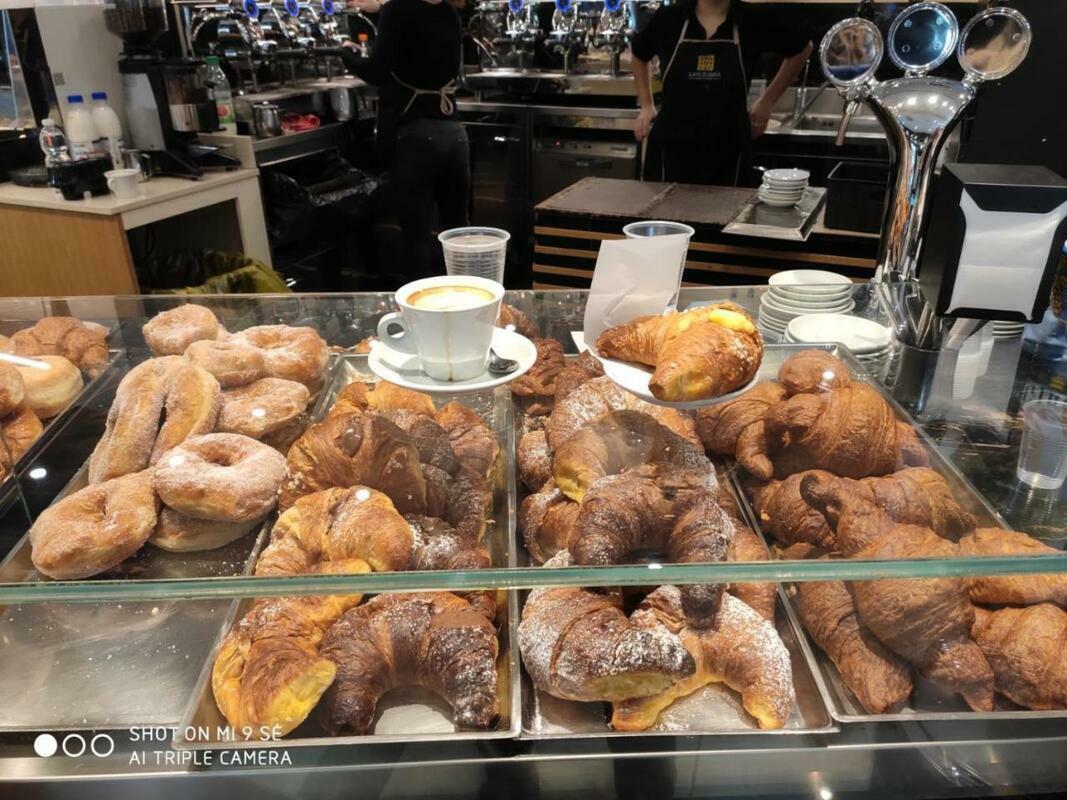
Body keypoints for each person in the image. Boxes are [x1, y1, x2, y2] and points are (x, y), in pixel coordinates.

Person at [341, 0, 470, 284]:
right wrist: (379, 8)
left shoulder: (397, 9)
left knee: (417, 236)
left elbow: (376, 72)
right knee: (457, 233)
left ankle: (423, 306)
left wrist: (347, 54)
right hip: (454, 135)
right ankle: (466, 301)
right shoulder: (448, 11)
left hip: (415, 138)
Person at [630, 0, 812, 186]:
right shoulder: (669, 18)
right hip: (671, 151)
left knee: (729, 205)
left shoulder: (753, 19)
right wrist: (646, 105)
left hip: (729, 152)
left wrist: (767, 102)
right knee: (665, 205)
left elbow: (802, 49)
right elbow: (638, 56)